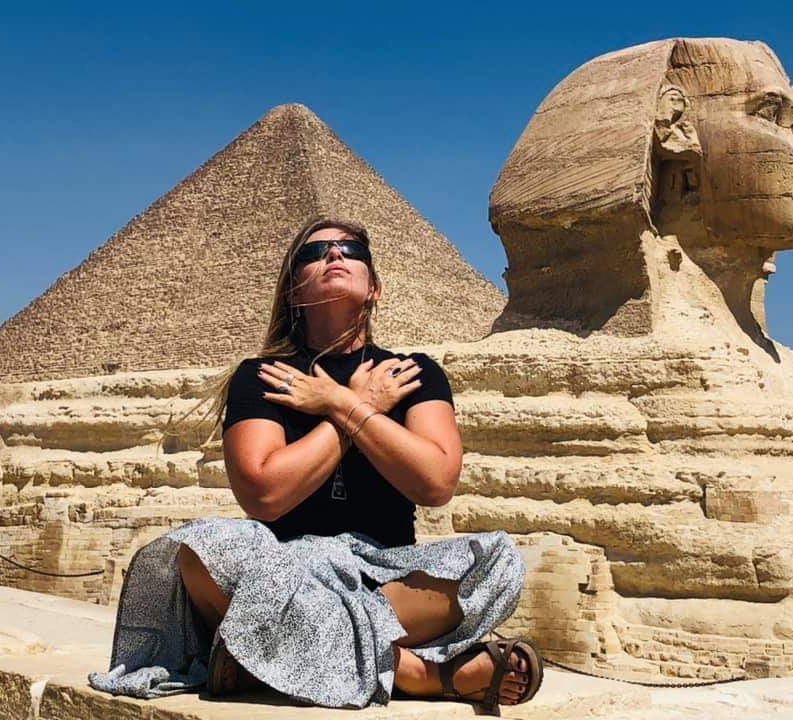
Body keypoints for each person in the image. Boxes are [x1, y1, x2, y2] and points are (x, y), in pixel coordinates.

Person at [88, 217, 543, 714]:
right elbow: (264, 493)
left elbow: (436, 482)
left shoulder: (412, 373)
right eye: (315, 252)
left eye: (351, 249)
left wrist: (338, 402)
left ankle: (263, 650)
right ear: (292, 292)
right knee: (199, 549)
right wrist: (350, 408)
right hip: (283, 570)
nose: (335, 255)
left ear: (375, 289)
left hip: (384, 571)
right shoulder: (263, 377)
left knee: (499, 563)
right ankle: (422, 674)